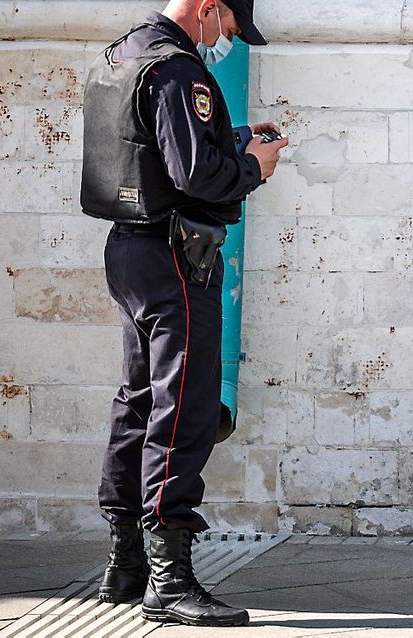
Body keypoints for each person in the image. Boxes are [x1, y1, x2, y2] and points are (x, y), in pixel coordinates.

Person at [79, 0, 288, 626]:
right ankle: (169, 579)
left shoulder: (121, 54)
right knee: (184, 410)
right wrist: (254, 166)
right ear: (208, 8)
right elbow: (197, 175)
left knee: (138, 401)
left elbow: (155, 149)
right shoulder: (179, 69)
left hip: (131, 249)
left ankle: (126, 562)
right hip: (178, 258)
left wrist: (233, 141)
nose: (225, 39)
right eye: (226, 26)